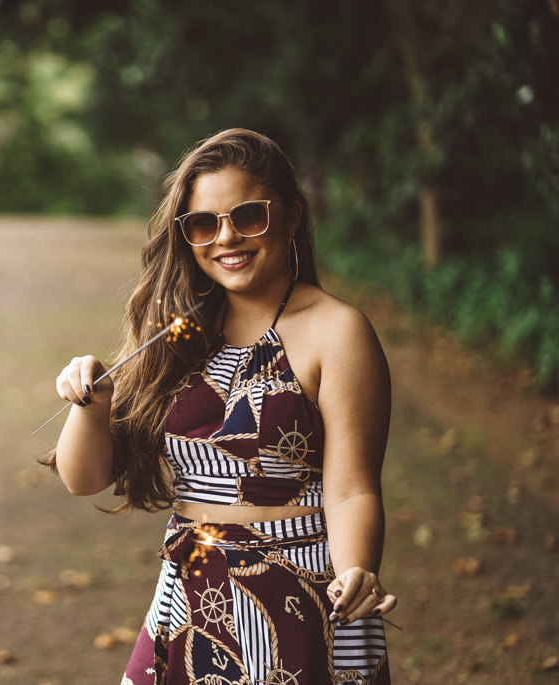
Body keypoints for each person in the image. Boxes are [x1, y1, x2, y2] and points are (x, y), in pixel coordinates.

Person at [45, 128, 397, 684]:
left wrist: (357, 570)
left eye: (248, 216)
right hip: (189, 595)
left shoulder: (338, 332)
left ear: (292, 217)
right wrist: (90, 406)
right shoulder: (179, 331)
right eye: (204, 224)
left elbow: (352, 488)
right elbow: (83, 479)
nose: (226, 237)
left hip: (303, 595)